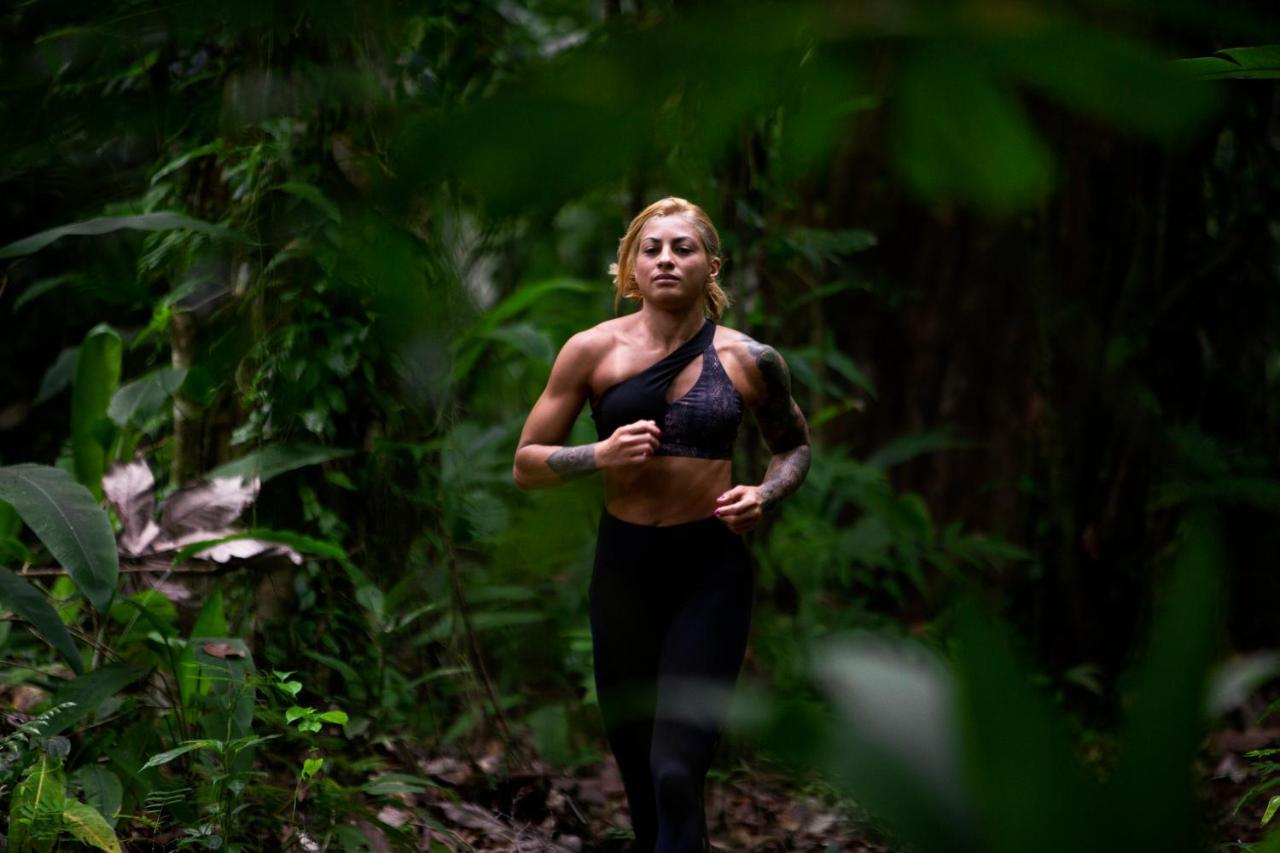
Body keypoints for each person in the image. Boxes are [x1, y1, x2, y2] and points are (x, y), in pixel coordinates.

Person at [512, 197, 811, 852]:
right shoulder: (592, 351)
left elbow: (794, 445)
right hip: (623, 572)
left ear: (711, 265)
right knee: (642, 771)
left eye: (683, 247)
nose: (667, 259)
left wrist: (766, 490)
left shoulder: (751, 359)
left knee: (678, 769)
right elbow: (526, 464)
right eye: (652, 249)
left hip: (710, 572)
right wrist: (598, 453)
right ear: (629, 266)